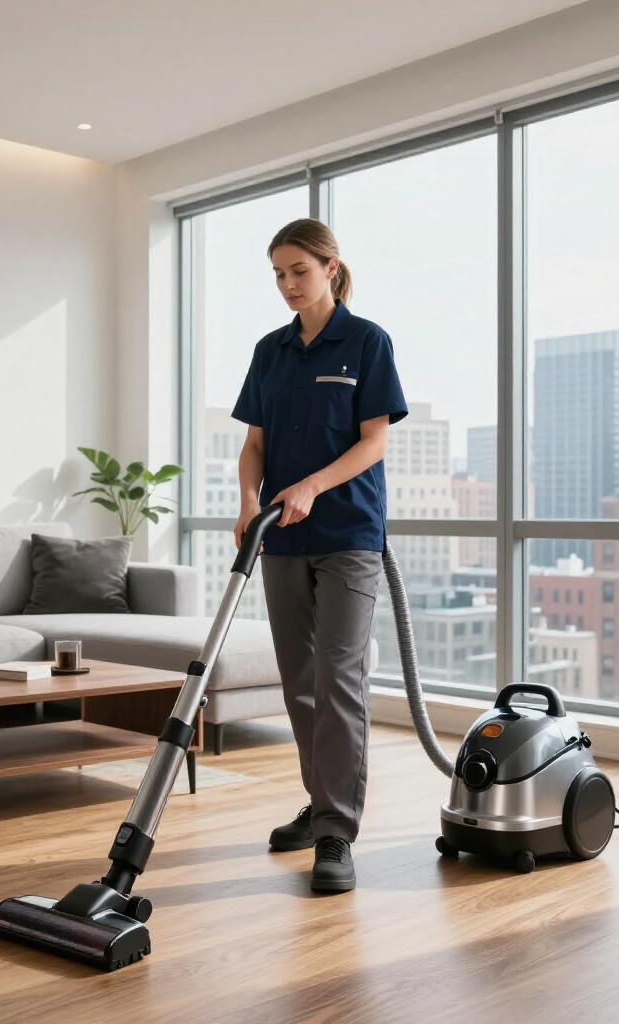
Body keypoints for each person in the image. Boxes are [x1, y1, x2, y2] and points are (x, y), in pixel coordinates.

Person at [231, 218, 408, 893]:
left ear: (331, 268)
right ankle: (319, 802)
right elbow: (255, 444)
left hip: (348, 536)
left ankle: (337, 831)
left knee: (339, 679)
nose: (286, 285)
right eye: (277, 274)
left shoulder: (366, 342)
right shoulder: (270, 350)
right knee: (298, 679)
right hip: (280, 535)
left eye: (298, 271)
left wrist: (309, 484)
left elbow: (373, 444)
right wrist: (250, 498)